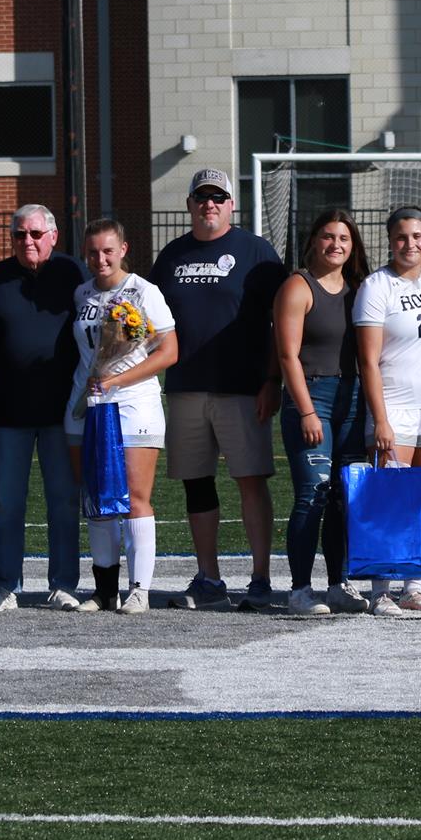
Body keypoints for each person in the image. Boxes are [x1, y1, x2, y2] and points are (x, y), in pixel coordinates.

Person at [148, 168, 288, 611]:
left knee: (250, 480)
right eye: (201, 197)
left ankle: (261, 577)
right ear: (189, 204)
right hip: (186, 386)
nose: (209, 204)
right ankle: (208, 576)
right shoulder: (171, 255)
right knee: (197, 484)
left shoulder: (255, 252)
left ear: (231, 205)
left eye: (218, 197)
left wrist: (272, 379)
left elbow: (282, 322)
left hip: (243, 388)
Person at [0, 204, 89, 612]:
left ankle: (63, 583)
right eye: (20, 234)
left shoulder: (76, 275)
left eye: (36, 234)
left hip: (64, 412)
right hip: (9, 410)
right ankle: (5, 584)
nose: (28, 241)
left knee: (63, 501)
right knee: (7, 502)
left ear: (54, 236)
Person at [67, 220, 180, 613]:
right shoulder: (81, 292)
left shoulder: (144, 291)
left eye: (108, 251)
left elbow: (168, 351)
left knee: (133, 497)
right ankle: (103, 590)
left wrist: (118, 379)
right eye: (93, 251)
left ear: (124, 248)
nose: (101, 258)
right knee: (96, 496)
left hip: (134, 404)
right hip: (86, 405)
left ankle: (139, 590)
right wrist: (96, 385)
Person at [356, 206, 421, 615]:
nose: (410, 244)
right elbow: (368, 361)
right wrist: (380, 419)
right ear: (390, 240)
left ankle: (414, 586)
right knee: (389, 500)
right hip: (394, 408)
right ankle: (381, 589)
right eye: (402, 237)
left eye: (417, 236)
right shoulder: (376, 286)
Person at [274, 208, 373, 616]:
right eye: (328, 236)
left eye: (344, 239)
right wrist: (307, 411)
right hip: (313, 397)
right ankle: (300, 589)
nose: (336, 245)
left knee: (343, 498)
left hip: (353, 399)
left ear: (353, 246)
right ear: (314, 239)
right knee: (312, 495)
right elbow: (287, 354)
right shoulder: (298, 286)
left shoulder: (362, 287)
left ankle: (338, 584)